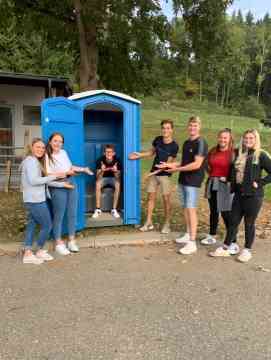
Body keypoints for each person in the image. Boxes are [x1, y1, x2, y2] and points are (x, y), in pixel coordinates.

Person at [210, 129, 271, 262]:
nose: (248, 140)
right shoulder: (239, 153)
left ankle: (247, 250)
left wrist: (260, 183)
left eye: (251, 138)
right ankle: (226, 247)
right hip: (238, 193)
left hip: (253, 196)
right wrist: (227, 179)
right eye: (246, 138)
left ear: (256, 140)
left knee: (249, 223)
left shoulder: (260, 155)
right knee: (233, 221)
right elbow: (234, 170)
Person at [157, 116, 208, 254]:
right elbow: (184, 162)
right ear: (188, 126)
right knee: (185, 208)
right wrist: (169, 164)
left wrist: (176, 170)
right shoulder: (186, 143)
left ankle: (192, 242)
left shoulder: (201, 142)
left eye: (195, 125)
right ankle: (187, 234)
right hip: (183, 180)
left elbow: (197, 164)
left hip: (193, 181)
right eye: (191, 125)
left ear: (199, 127)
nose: (192, 128)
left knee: (191, 209)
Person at [46, 132, 93, 255]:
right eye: (55, 141)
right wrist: (66, 173)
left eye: (60, 141)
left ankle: (71, 240)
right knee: (59, 215)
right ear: (50, 142)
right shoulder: (46, 156)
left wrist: (83, 169)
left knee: (72, 213)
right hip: (58, 186)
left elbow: (70, 167)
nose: (58, 143)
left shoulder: (63, 153)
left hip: (71, 183)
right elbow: (48, 175)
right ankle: (58, 242)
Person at [129, 119, 179, 234]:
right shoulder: (158, 139)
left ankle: (167, 224)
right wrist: (139, 155)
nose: (165, 130)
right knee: (150, 198)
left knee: (166, 199)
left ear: (172, 130)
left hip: (164, 175)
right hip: (153, 174)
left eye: (168, 128)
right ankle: (148, 222)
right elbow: (151, 152)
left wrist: (150, 174)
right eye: (163, 128)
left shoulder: (174, 146)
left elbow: (166, 165)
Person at [21, 138, 65, 264]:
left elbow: (44, 181)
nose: (40, 149)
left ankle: (28, 252)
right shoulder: (31, 162)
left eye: (42, 147)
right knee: (47, 225)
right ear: (31, 148)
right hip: (35, 200)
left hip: (34, 198)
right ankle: (39, 250)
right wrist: (54, 176)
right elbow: (34, 181)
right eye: (37, 147)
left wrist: (62, 184)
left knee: (32, 224)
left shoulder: (35, 161)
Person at [201, 128, 239, 255]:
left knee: (226, 213)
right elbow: (206, 163)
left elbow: (237, 170)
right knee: (213, 211)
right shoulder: (213, 150)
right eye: (221, 137)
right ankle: (212, 235)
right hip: (213, 183)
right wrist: (211, 174)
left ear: (229, 139)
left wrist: (228, 179)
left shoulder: (234, 153)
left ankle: (233, 242)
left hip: (225, 185)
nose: (222, 140)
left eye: (225, 138)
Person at [92, 144, 122, 219]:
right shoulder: (100, 160)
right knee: (97, 184)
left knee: (118, 184)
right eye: (107, 152)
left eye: (110, 152)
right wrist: (102, 170)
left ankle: (114, 209)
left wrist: (115, 171)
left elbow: (118, 177)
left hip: (113, 178)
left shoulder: (117, 160)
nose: (109, 153)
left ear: (113, 153)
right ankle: (98, 209)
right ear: (104, 153)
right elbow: (98, 177)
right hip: (103, 178)